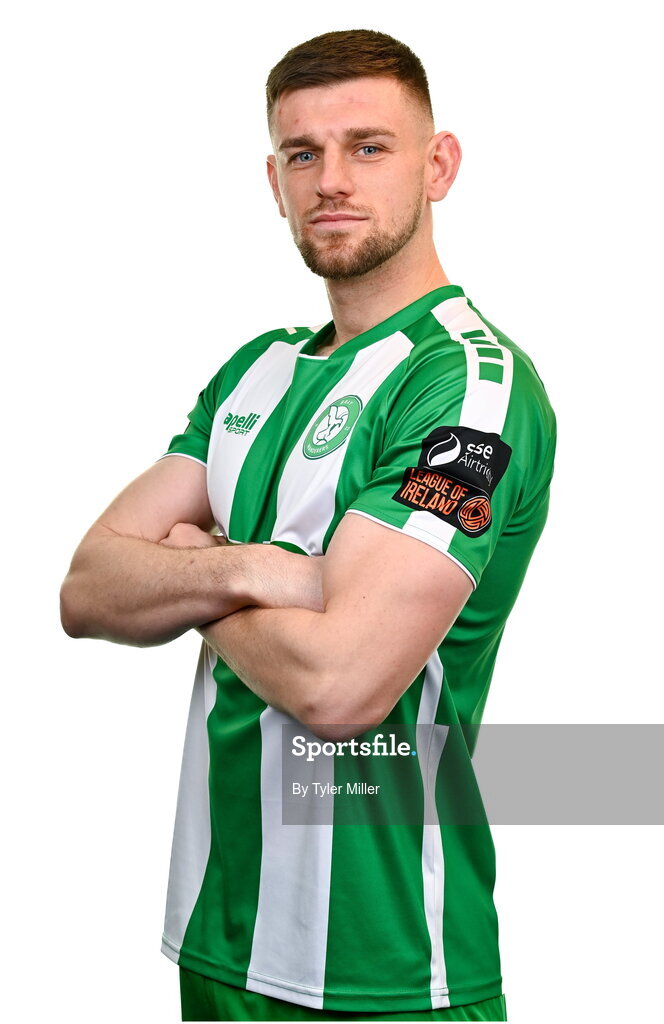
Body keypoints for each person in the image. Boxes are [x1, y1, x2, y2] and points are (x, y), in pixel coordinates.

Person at [60, 28, 555, 1023]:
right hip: (218, 940)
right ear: (274, 182)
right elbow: (87, 589)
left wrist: (194, 565)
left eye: (368, 146)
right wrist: (263, 571)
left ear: (438, 165)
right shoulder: (256, 370)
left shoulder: (467, 387)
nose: (331, 179)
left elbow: (341, 687)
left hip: (388, 971)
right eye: (302, 153)